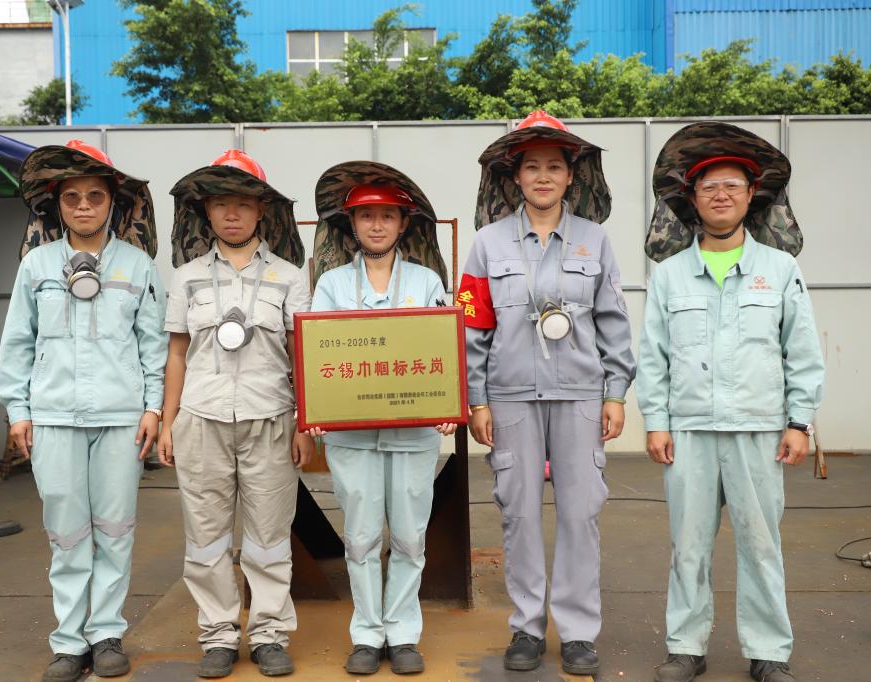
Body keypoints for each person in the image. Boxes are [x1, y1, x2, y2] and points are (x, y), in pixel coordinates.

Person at [638, 121, 824, 682]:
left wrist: (799, 422)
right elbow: (654, 355)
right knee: (687, 547)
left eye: (732, 186)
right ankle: (685, 647)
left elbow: (802, 351)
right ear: (692, 200)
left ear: (751, 196)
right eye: (709, 187)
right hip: (689, 430)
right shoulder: (670, 275)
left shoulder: (780, 269)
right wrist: (656, 421)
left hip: (758, 429)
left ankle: (768, 652)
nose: (721, 195)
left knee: (761, 545)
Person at [459, 110, 635, 675]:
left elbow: (613, 321)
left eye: (553, 167)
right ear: (515, 177)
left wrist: (615, 392)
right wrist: (477, 400)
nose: (542, 176)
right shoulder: (487, 244)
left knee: (581, 513)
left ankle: (578, 632)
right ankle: (527, 628)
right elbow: (473, 328)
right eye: (531, 167)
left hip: (580, 394)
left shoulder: (594, 240)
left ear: (570, 176)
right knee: (519, 513)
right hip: (510, 397)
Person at [0, 139, 166, 682]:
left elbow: (153, 345)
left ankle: (107, 634)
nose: (84, 206)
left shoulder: (138, 266)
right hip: (53, 416)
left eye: (95, 196)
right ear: (57, 205)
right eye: (72, 197)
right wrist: (18, 409)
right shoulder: (36, 265)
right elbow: (17, 341)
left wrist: (154, 407)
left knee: (115, 529)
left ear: (113, 202)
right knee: (66, 532)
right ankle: (69, 642)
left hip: (121, 417)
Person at [159, 150, 313, 679]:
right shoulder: (186, 277)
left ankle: (268, 633)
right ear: (206, 211)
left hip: (271, 418)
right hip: (201, 418)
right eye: (221, 203)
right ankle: (219, 635)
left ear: (261, 210)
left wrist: (305, 423)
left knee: (269, 535)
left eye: (243, 204)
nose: (232, 214)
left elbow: (301, 355)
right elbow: (177, 352)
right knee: (206, 536)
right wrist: (168, 421)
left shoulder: (289, 277)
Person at [307, 161, 455, 676]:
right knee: (362, 537)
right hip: (352, 436)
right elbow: (319, 355)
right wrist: (316, 407)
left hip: (413, 433)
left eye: (387, 216)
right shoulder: (330, 284)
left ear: (403, 224)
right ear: (351, 224)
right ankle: (367, 634)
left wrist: (448, 404)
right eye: (366, 216)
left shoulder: (426, 280)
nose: (376, 225)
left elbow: (442, 348)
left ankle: (404, 632)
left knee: (411, 536)